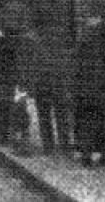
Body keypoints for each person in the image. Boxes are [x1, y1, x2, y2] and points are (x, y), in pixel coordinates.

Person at [74, 16, 105, 166]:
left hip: (86, 93)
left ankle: (87, 156)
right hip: (104, 93)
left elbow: (76, 70)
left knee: (87, 124)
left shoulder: (83, 47)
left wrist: (77, 89)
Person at [33, 23, 74, 154]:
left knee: (46, 117)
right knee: (61, 117)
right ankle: (64, 146)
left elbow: (33, 67)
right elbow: (67, 68)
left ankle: (49, 146)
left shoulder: (38, 46)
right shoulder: (62, 48)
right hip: (56, 86)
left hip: (44, 85)